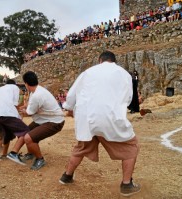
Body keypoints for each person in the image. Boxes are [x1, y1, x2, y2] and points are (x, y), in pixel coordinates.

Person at [58, 51, 140, 197]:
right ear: (114, 61)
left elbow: (70, 97)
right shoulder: (124, 74)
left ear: (99, 60)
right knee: (130, 147)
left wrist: (67, 106)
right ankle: (126, 184)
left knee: (81, 148)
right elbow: (128, 99)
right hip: (111, 119)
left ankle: (66, 176)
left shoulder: (87, 72)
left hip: (87, 119)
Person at [9, 71, 65, 170]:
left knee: (28, 138)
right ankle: (22, 153)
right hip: (44, 120)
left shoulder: (37, 95)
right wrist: (24, 106)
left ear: (26, 83)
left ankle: (40, 159)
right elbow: (29, 105)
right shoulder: (35, 91)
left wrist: (23, 110)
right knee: (24, 131)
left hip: (55, 122)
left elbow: (29, 113)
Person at [0, 79, 30, 161]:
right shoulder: (14, 87)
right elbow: (14, 104)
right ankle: (14, 153)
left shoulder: (0, 89)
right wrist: (19, 113)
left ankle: (4, 155)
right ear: (14, 84)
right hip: (6, 113)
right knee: (26, 131)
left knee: (7, 134)